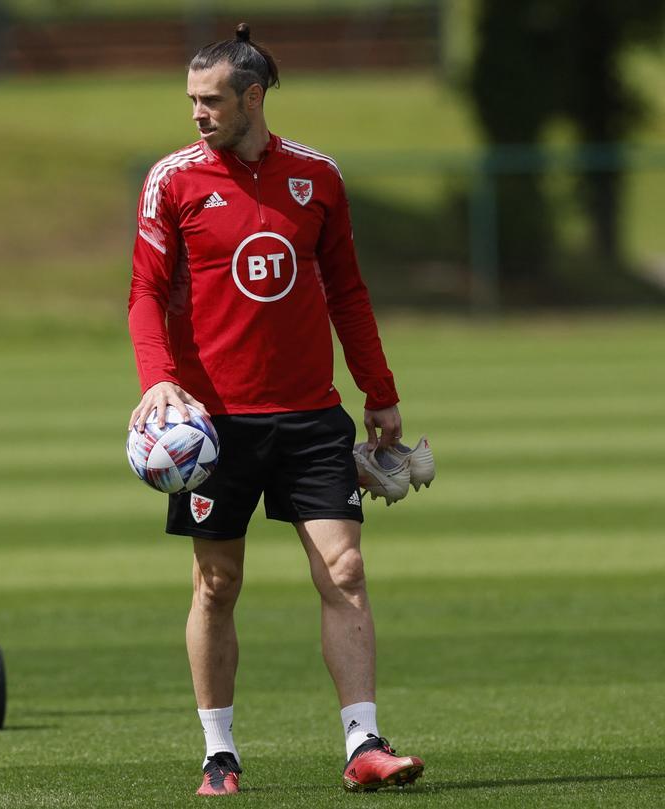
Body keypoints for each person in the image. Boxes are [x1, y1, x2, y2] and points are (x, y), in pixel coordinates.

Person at [127, 23, 425, 796]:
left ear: (253, 97)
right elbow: (145, 293)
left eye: (212, 99)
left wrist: (380, 390)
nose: (197, 113)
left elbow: (348, 292)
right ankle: (218, 752)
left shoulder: (318, 177)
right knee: (218, 584)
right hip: (213, 426)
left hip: (310, 416)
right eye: (191, 100)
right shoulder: (173, 180)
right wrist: (158, 378)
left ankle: (364, 742)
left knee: (347, 568)